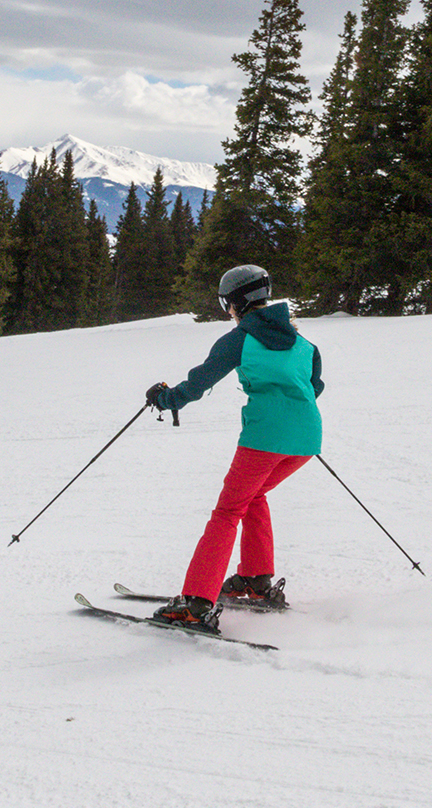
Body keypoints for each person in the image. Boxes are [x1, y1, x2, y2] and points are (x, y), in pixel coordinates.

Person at [143, 264, 323, 632]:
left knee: (227, 512)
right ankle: (255, 581)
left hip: (264, 439)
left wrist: (164, 399)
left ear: (236, 302)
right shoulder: (304, 343)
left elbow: (197, 384)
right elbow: (314, 387)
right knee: (253, 496)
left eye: (227, 303)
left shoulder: (241, 338)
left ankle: (196, 603)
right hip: (307, 440)